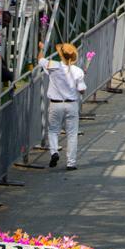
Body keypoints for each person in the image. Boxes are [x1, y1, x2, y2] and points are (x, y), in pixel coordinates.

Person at [37, 41, 86, 171]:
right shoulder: (78, 71)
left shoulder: (53, 65)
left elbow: (40, 60)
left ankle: (54, 152)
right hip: (71, 104)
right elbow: (82, 90)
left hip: (56, 104)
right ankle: (71, 162)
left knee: (53, 130)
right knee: (72, 134)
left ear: (61, 55)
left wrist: (41, 49)